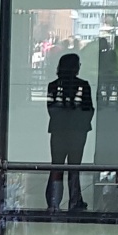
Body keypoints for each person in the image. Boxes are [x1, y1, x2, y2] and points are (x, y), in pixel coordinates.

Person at [45, 49, 94, 212]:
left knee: (56, 166)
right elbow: (88, 109)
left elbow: (51, 109)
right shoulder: (83, 85)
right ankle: (74, 201)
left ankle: (54, 202)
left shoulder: (53, 86)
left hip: (58, 130)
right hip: (78, 132)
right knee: (74, 167)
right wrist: (81, 123)